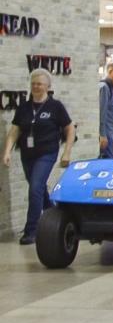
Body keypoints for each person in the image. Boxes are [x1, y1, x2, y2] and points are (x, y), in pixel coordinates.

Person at [2, 69, 75, 244]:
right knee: (39, 189)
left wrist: (67, 152)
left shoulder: (55, 106)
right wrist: (7, 152)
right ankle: (53, 215)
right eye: (33, 83)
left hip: (47, 152)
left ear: (47, 86)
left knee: (35, 187)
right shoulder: (24, 108)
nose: (36, 86)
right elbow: (15, 131)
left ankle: (31, 230)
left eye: (39, 84)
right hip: (27, 154)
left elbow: (69, 128)